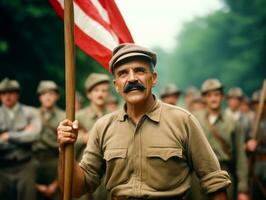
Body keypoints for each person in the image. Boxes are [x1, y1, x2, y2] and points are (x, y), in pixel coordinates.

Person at [57, 43, 231, 200]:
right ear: (116, 85)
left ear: (153, 78)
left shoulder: (183, 121)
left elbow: (213, 180)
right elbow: (76, 189)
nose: (132, 78)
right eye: (123, 73)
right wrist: (65, 150)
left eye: (139, 70)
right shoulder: (103, 127)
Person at [191, 79, 249, 200]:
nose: (213, 99)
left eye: (216, 95)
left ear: (222, 96)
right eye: (209, 95)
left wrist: (243, 188)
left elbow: (240, 157)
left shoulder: (233, 123)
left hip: (224, 175)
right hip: (198, 176)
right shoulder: (193, 118)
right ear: (204, 98)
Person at [0, 78, 41, 200]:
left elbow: (34, 136)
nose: (8, 96)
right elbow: (27, 137)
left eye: (11, 92)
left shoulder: (31, 112)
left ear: (18, 94)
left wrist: (7, 136)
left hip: (25, 165)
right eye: (3, 93)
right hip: (2, 166)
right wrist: (22, 134)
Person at [75, 73, 111, 200]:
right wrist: (83, 138)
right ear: (89, 94)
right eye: (96, 90)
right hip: (85, 170)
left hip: (108, 173)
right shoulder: (78, 116)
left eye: (104, 90)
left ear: (108, 94)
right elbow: (67, 145)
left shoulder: (114, 116)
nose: (100, 94)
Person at [33, 81, 65, 200]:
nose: (47, 97)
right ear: (39, 97)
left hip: (55, 161)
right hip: (34, 161)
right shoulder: (31, 115)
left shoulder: (64, 116)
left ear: (57, 96)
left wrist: (56, 182)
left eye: (51, 93)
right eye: (44, 94)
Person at [245, 90, 266, 199]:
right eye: (256, 103)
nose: (259, 106)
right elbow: (243, 143)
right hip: (255, 164)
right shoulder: (249, 121)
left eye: (261, 102)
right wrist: (248, 145)